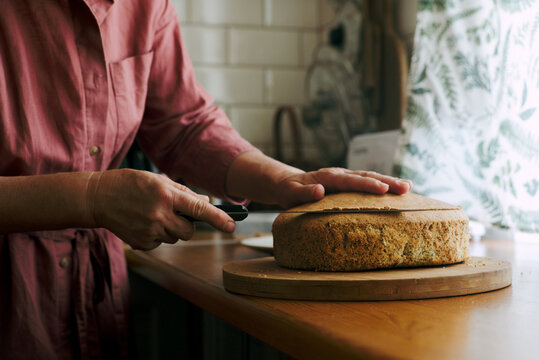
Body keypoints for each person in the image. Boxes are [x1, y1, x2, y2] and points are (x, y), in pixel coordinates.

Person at [0, 0, 413, 359]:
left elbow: (187, 126)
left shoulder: (146, 6)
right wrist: (92, 196)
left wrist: (288, 180)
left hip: (95, 298)